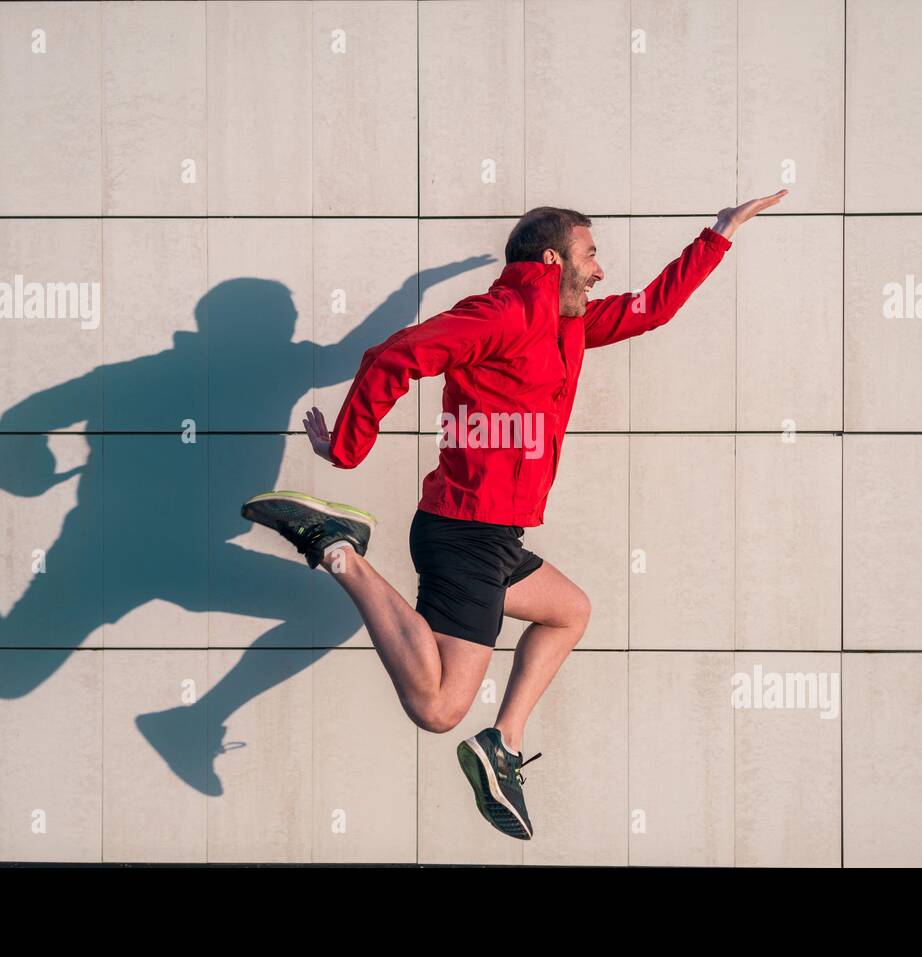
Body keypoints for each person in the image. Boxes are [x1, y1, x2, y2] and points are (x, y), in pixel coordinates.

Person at [242, 189, 787, 839]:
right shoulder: (500, 314)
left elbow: (653, 308)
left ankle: (501, 743)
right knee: (439, 707)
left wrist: (719, 234)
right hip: (465, 530)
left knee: (569, 610)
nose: (601, 269)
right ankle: (338, 549)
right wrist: (351, 444)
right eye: (592, 255)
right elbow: (393, 355)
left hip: (496, 532)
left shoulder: (569, 319)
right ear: (553, 259)